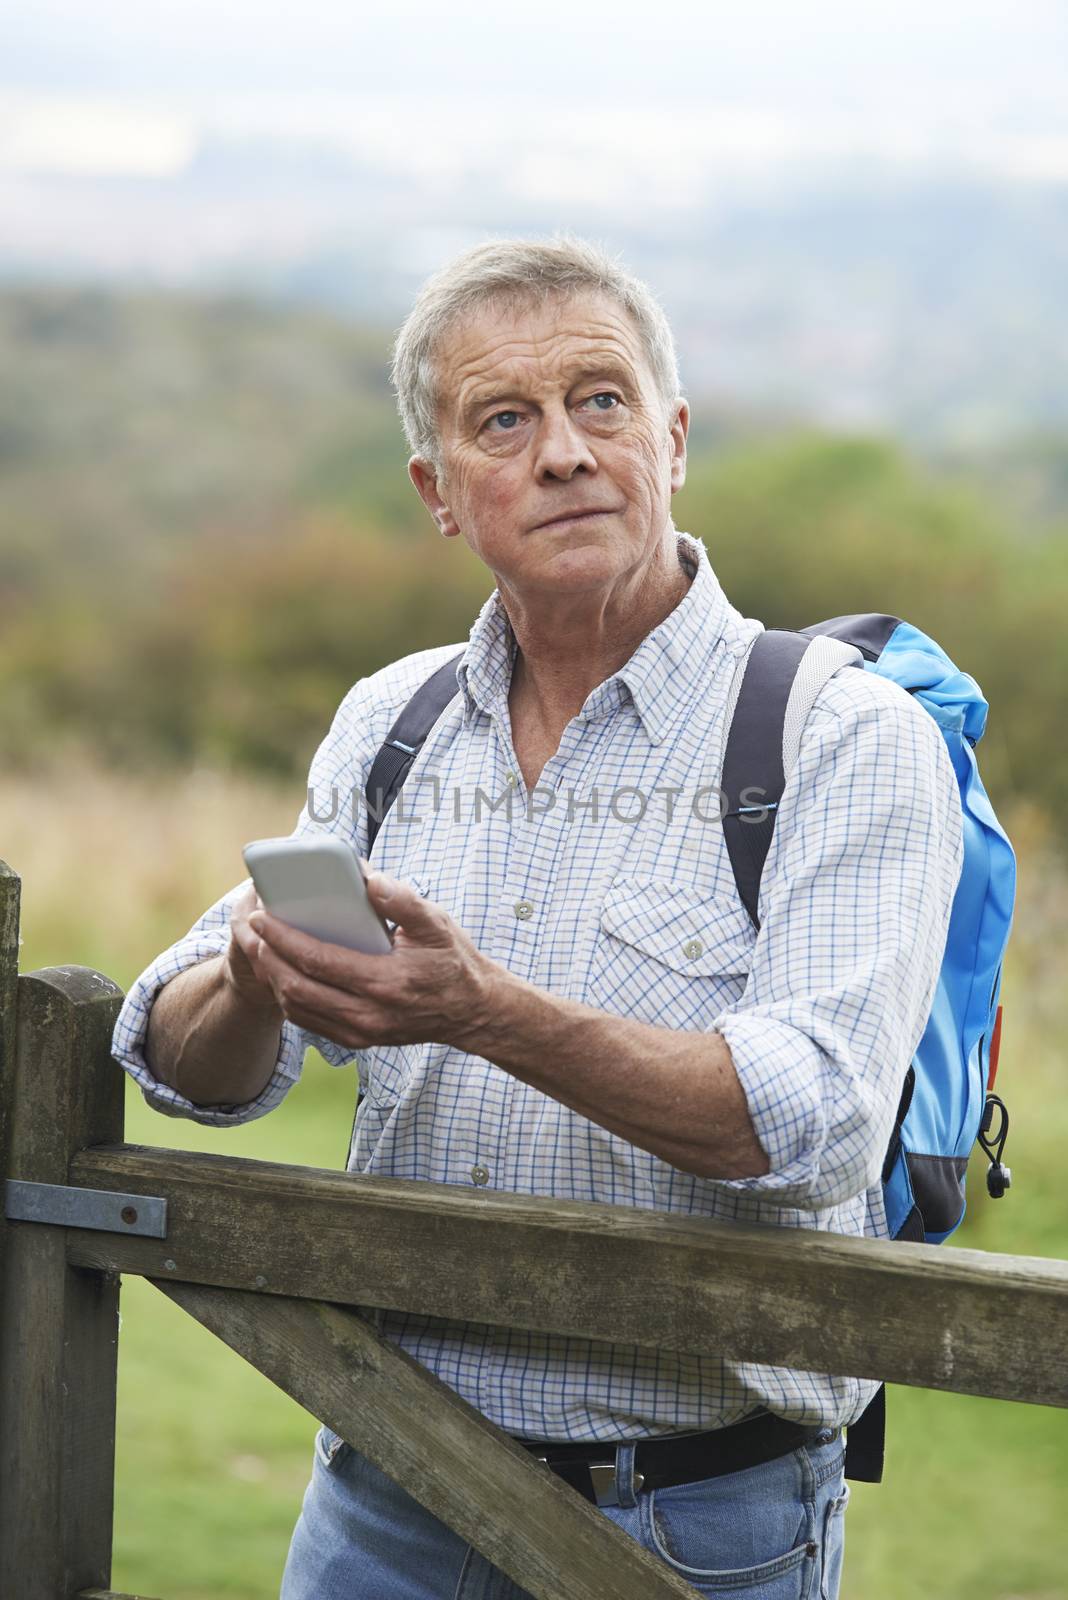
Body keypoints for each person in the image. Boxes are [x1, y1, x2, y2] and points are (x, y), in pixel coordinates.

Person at [112, 235, 963, 1600]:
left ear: (673, 439)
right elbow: (181, 1059)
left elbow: (811, 1121)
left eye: (601, 401)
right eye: (504, 420)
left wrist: (482, 1011)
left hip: (698, 1519)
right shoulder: (395, 723)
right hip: (383, 1485)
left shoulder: (840, 740)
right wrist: (260, 981)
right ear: (439, 492)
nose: (564, 450)